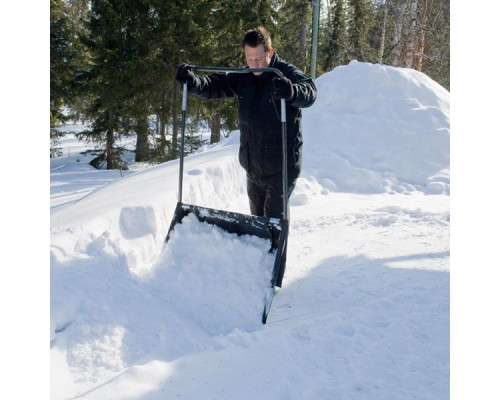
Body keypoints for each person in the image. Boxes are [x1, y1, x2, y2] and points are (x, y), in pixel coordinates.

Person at [175, 26, 316, 222]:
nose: (254, 65)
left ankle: (279, 253)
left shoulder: (284, 73)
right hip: (253, 167)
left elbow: (310, 92)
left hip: (281, 168)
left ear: (270, 52)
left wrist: (291, 91)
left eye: (258, 59)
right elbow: (216, 86)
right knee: (257, 228)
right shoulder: (244, 76)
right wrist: (193, 82)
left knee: (274, 228)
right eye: (249, 59)